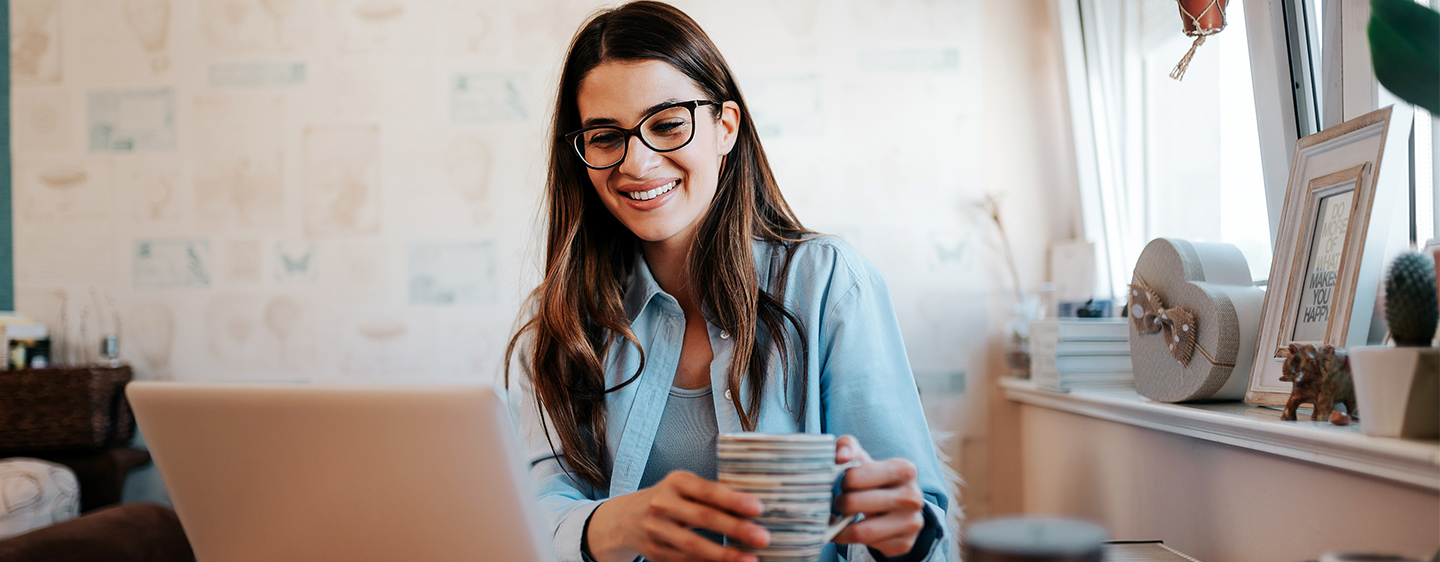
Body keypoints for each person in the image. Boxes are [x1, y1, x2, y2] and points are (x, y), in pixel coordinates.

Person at [506, 3, 951, 561]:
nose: (636, 164)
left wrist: (904, 538)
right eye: (604, 137)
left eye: (667, 124)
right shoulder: (563, 321)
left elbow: (925, 527)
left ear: (725, 128)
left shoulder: (828, 283)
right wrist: (613, 524)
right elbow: (535, 509)